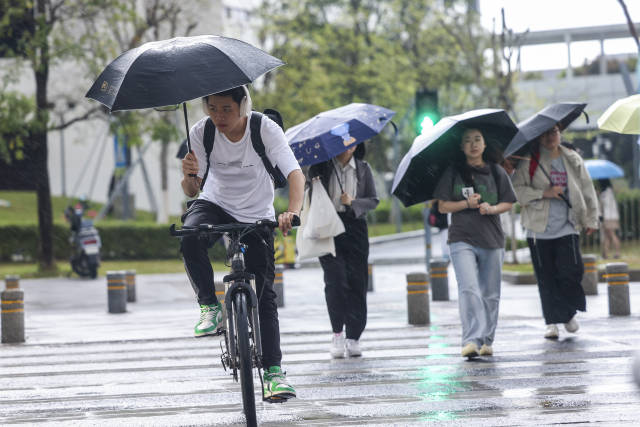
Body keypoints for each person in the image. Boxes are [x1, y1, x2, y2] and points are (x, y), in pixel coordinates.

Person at [180, 85, 304, 399]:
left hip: (256, 214)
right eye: (212, 108)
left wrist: (291, 211)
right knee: (190, 236)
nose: (219, 116)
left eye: (226, 109)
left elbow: (294, 173)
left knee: (264, 296)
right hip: (215, 203)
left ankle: (274, 373)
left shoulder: (265, 129)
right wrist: (189, 175)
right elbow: (193, 191)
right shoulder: (201, 132)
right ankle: (210, 306)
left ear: (243, 106)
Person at [433, 128, 516, 359]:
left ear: (485, 144)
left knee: (490, 293)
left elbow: (508, 202)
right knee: (468, 289)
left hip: (492, 239)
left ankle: (486, 339)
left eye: (477, 139)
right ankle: (470, 340)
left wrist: (491, 208)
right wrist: (466, 204)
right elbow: (442, 206)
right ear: (461, 147)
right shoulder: (453, 172)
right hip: (461, 238)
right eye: (467, 141)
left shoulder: (496, 171)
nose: (473, 144)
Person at [511, 124, 598, 340]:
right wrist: (545, 192)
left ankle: (567, 313)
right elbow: (518, 192)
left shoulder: (573, 158)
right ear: (539, 137)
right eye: (545, 132)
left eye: (554, 132)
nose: (550, 136)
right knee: (546, 277)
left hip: (568, 224)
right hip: (537, 229)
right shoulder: (529, 160)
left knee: (572, 271)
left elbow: (587, 188)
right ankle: (552, 322)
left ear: (560, 134)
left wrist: (591, 219)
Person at [308, 142, 379, 358]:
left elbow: (373, 200)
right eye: (341, 143)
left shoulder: (364, 169)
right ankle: (337, 332)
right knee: (335, 280)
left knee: (357, 281)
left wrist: (353, 202)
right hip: (328, 228)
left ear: (357, 145)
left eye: (351, 143)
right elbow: (311, 195)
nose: (345, 147)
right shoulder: (322, 167)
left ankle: (354, 336)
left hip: (355, 227)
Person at [597, 178, 621, 259]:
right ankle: (605, 254)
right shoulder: (611, 193)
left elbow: (601, 207)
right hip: (614, 217)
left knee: (611, 235)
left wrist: (598, 195)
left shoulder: (604, 194)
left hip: (607, 218)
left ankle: (616, 253)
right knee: (609, 236)